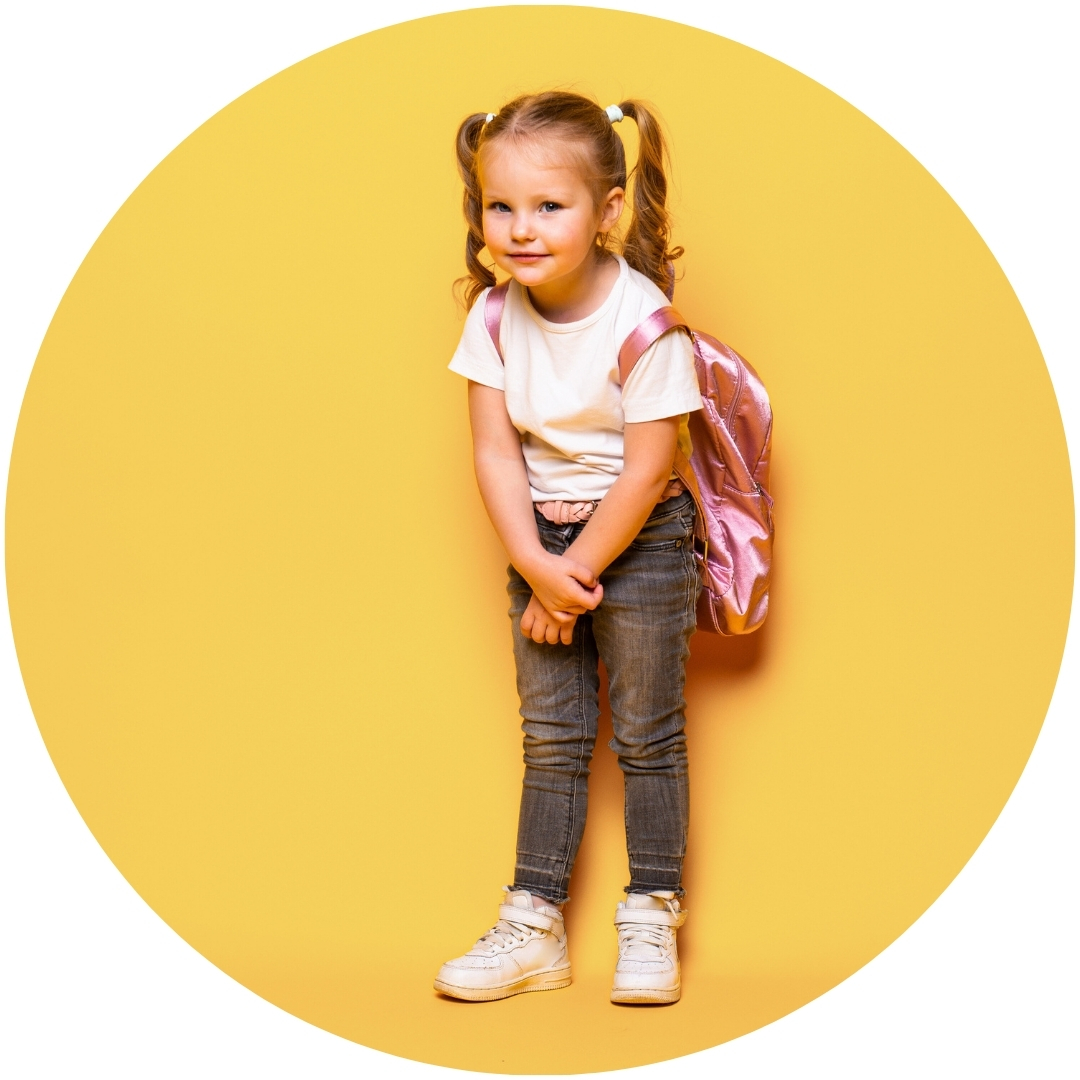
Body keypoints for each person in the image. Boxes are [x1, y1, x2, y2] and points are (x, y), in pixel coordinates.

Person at [434, 91, 702, 1005]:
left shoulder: (646, 321)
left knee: (648, 736)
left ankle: (650, 912)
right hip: (540, 542)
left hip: (640, 539)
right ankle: (535, 924)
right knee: (550, 740)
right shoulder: (496, 318)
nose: (520, 228)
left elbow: (647, 466)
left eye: (549, 206)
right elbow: (492, 450)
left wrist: (566, 576)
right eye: (500, 206)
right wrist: (535, 564)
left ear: (609, 211)